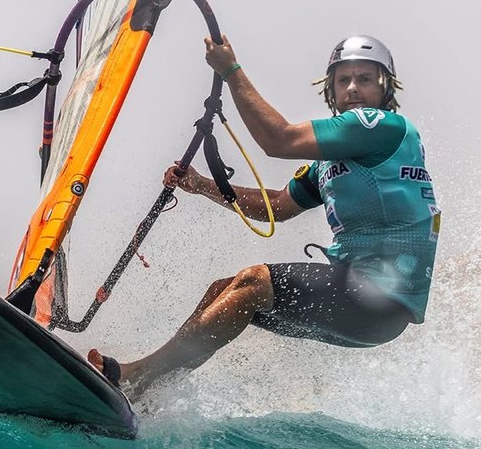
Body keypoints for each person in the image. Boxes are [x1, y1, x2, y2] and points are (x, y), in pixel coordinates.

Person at [89, 34, 440, 395]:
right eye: (343, 80)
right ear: (330, 90)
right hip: (355, 303)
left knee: (254, 281)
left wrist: (230, 71)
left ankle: (138, 375)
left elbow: (279, 139)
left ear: (385, 88)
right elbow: (278, 207)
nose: (352, 88)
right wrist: (202, 185)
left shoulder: (382, 126)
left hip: (381, 301)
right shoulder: (330, 163)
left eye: (365, 79)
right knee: (223, 292)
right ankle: (149, 394)